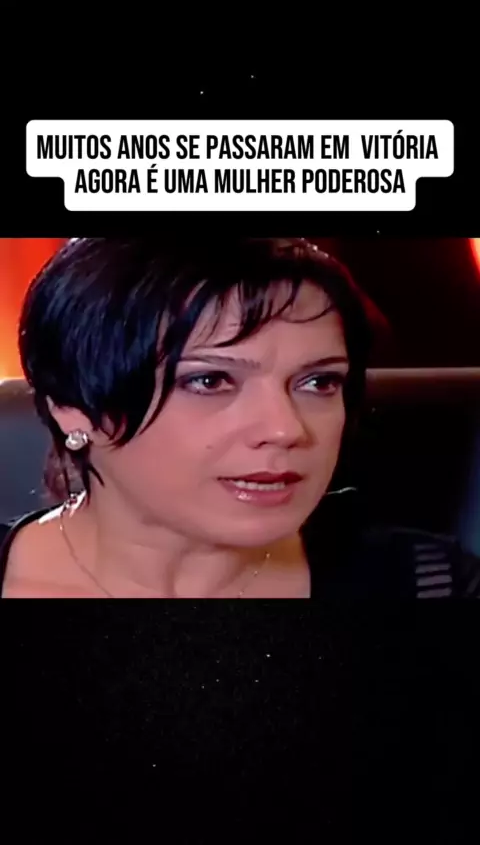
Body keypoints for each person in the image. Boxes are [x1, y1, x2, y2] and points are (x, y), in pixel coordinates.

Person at [0, 236, 478, 598]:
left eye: (318, 382)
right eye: (210, 381)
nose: (285, 429)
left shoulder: (432, 583)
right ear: (72, 406)